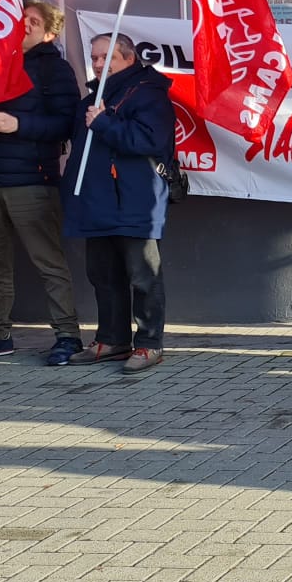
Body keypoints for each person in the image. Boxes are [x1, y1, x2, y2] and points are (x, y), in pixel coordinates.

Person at [0, 0, 84, 366]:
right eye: (21, 19)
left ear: (49, 32)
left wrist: (20, 125)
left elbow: (69, 124)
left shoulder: (55, 69)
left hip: (33, 180)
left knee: (48, 261)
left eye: (34, 21)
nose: (25, 24)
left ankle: (68, 336)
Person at [64, 33, 174, 374]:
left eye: (106, 58)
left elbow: (148, 140)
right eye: (95, 58)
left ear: (128, 59)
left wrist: (105, 122)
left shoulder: (149, 94)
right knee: (102, 274)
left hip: (134, 200)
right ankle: (112, 340)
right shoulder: (92, 99)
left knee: (144, 276)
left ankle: (149, 344)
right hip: (96, 201)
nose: (97, 64)